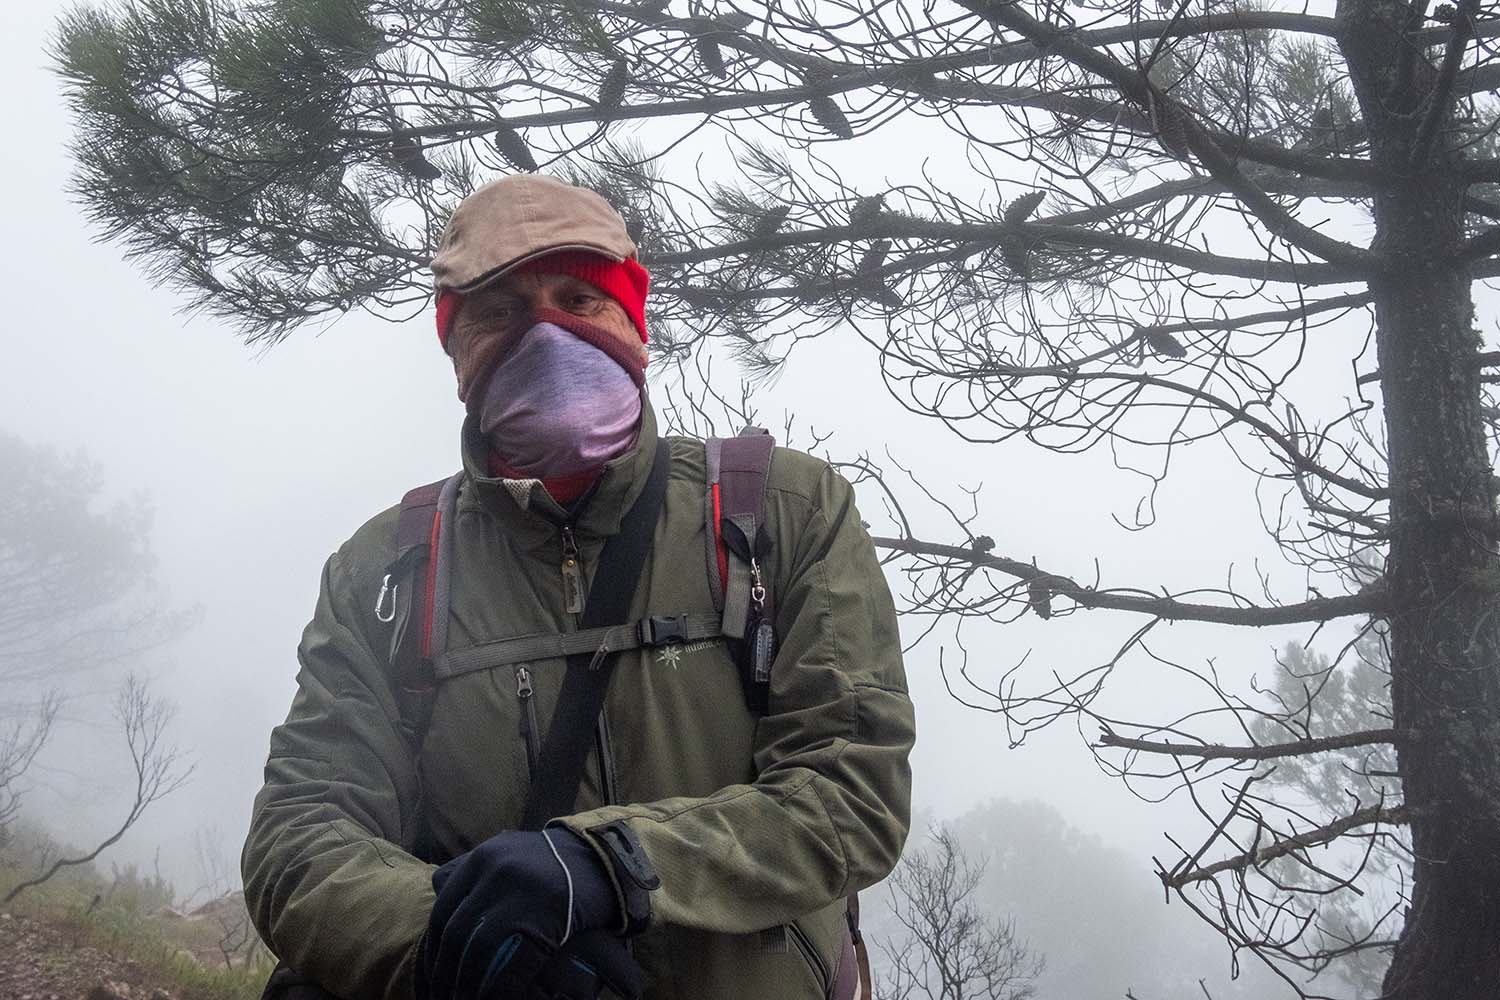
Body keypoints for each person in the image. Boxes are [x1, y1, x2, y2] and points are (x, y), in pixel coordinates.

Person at [242, 174, 916, 1000]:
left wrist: (614, 863)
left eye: (579, 299)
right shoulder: (387, 568)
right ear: (456, 351)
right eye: (500, 311)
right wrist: (462, 947)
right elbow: (302, 831)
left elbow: (852, 790)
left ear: (634, 325)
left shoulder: (782, 511)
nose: (547, 332)